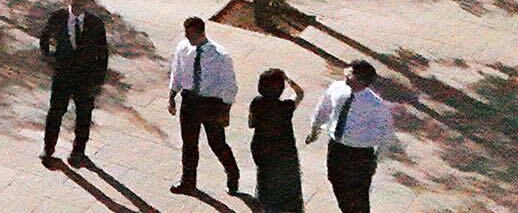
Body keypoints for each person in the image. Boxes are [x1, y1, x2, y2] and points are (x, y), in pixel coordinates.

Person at [36, 0, 111, 169]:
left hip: (85, 78)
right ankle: (48, 149)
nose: (78, 3)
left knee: (84, 115)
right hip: (63, 75)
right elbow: (44, 38)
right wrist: (51, 60)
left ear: (87, 2)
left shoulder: (95, 24)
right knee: (55, 113)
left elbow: (103, 53)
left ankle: (78, 152)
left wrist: (99, 78)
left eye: (82, 0)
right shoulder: (58, 18)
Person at [307, 61, 395, 212]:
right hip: (336, 146)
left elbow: (386, 133)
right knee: (336, 180)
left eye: (350, 74)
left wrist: (377, 159)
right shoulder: (336, 87)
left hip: (360, 154)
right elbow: (323, 108)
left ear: (361, 81)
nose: (345, 74)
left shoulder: (376, 105)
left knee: (359, 194)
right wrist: (315, 128)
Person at [167, 17, 240, 196]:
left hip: (211, 104)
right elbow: (177, 72)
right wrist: (172, 96)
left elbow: (230, 85)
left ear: (200, 32)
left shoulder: (220, 55)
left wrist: (226, 110)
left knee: (216, 143)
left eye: (190, 33)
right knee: (189, 144)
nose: (187, 36)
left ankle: (233, 174)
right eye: (185, 32)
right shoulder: (183, 48)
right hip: (189, 101)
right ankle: (188, 182)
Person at [249, 69, 305, 213]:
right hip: (284, 151)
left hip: (262, 147)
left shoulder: (256, 102)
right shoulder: (286, 107)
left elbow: (251, 124)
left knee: (264, 179)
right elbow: (300, 94)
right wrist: (289, 80)